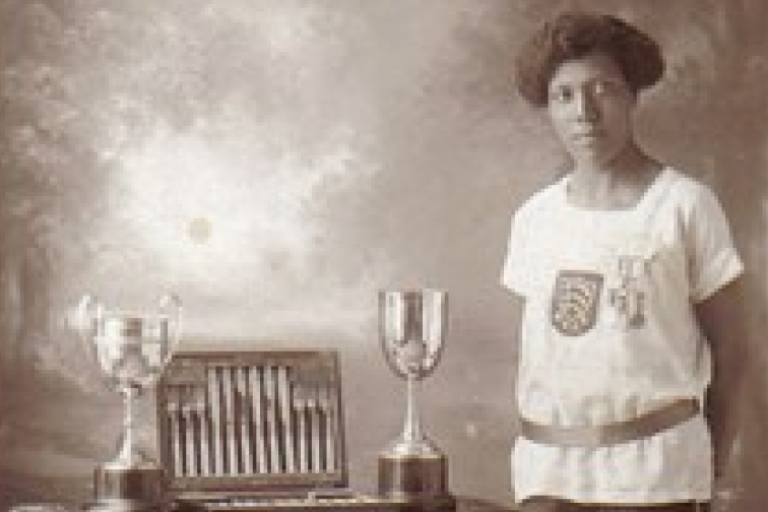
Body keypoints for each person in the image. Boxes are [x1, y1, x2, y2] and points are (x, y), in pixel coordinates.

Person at [500, 11, 747, 512]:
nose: (584, 113)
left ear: (633, 96)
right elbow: (546, 358)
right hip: (547, 479)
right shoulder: (534, 218)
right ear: (548, 108)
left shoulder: (684, 206)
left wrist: (708, 468)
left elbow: (735, 354)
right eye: (563, 96)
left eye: (602, 90)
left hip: (657, 478)